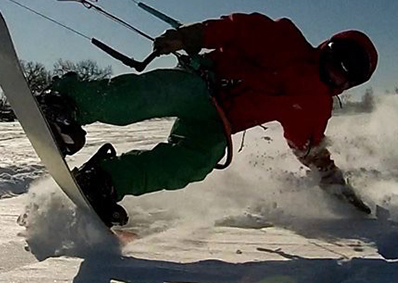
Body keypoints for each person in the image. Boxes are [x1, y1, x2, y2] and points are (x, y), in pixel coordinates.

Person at [38, 12, 378, 227]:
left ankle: (107, 181)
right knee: (152, 95)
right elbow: (236, 29)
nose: (331, 77)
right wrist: (190, 37)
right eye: (332, 66)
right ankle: (68, 104)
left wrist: (337, 187)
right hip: (203, 84)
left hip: (219, 123)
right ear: (326, 49)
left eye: (340, 80)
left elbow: (310, 149)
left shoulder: (315, 106)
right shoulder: (285, 40)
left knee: (194, 162)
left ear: (348, 85)